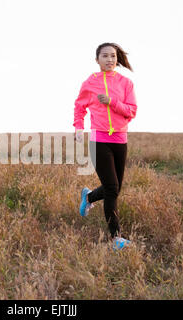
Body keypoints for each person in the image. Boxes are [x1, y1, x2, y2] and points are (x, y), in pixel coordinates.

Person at [73, 42, 138, 250]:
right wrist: (78, 128)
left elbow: (132, 111)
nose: (109, 60)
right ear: (97, 60)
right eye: (105, 56)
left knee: (115, 188)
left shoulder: (125, 83)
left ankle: (89, 197)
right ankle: (116, 238)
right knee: (111, 188)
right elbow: (79, 106)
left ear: (117, 59)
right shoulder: (90, 83)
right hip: (99, 140)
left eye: (112, 56)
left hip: (120, 140)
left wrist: (111, 102)